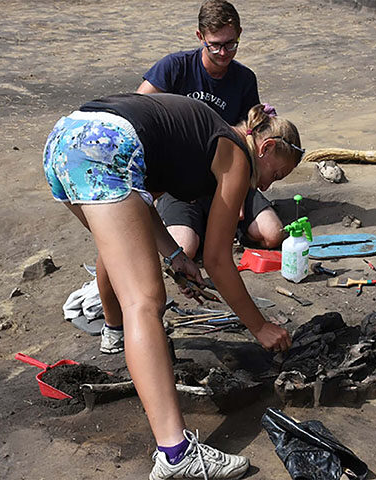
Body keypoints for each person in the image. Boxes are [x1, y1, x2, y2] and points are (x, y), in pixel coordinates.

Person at [42, 93, 303, 479]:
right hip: (106, 145)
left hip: (67, 140)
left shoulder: (200, 136)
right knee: (145, 301)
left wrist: (174, 256)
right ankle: (176, 455)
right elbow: (217, 260)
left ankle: (116, 337)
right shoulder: (234, 156)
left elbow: (141, 207)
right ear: (264, 149)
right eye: (276, 174)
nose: (269, 183)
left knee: (130, 273)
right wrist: (259, 327)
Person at [136, 0, 283, 259]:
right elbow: (138, 114)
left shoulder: (245, 79)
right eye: (215, 45)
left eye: (230, 44)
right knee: (184, 250)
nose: (224, 53)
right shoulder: (174, 68)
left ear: (239, 34)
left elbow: (249, 140)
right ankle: (196, 226)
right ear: (200, 36)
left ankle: (220, 227)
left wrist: (237, 193)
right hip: (179, 182)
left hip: (227, 176)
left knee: (273, 235)